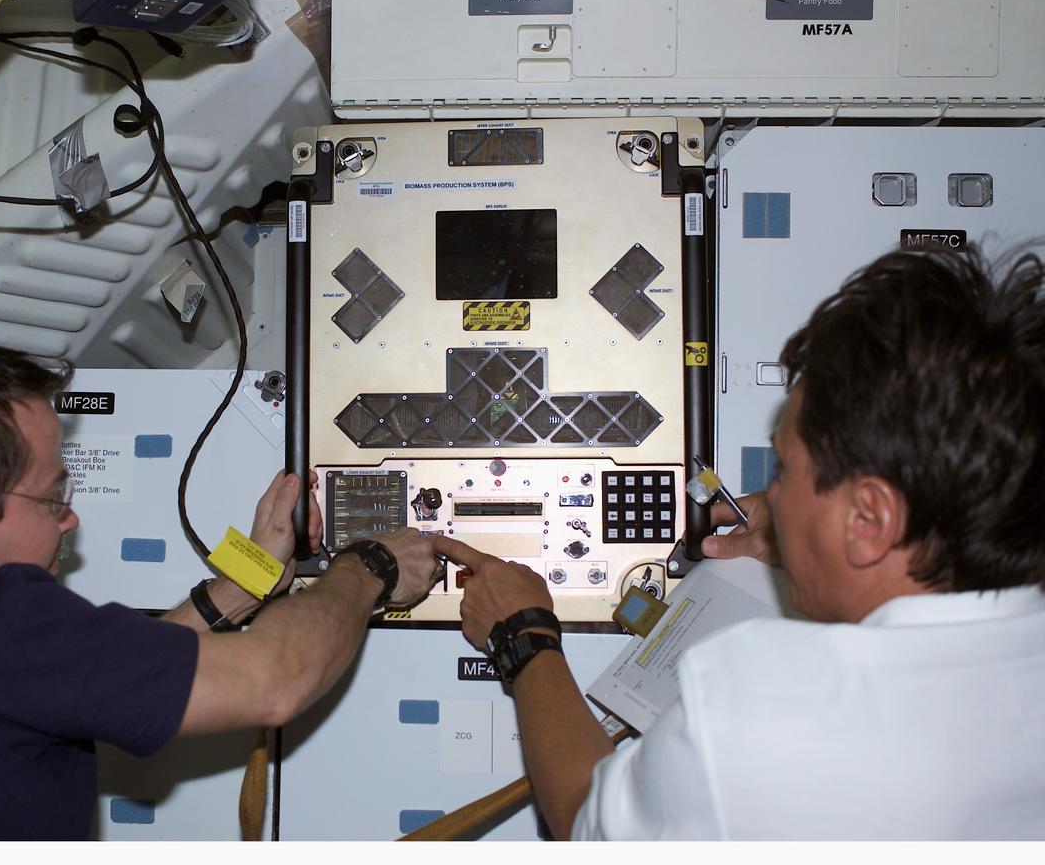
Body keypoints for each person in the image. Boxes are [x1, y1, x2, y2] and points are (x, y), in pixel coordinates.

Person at [444, 245, 1045, 840]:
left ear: (869, 519)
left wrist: (523, 634)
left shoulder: (765, 704)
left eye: (785, 471)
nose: (774, 499)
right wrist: (821, 547)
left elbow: (588, 822)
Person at [0, 327, 440, 840]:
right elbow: (275, 677)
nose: (69, 516)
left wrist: (249, 576)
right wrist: (369, 567)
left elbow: (120, 670)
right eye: (50, 497)